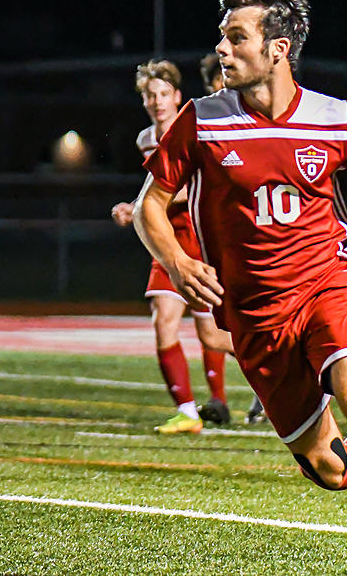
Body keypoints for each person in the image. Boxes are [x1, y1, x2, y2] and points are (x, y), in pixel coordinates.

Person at [135, 0, 347, 504]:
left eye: (237, 36)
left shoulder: (336, 119)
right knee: (328, 469)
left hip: (324, 288)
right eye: (223, 35)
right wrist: (175, 262)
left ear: (278, 48)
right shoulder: (200, 121)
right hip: (254, 317)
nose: (222, 47)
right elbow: (148, 206)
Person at [111, 61, 233, 433]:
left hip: (199, 240)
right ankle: (188, 412)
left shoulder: (196, 129)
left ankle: (281, 361)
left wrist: (146, 207)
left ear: (177, 97)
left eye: (163, 94)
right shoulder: (146, 139)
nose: (156, 101)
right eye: (150, 95)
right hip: (166, 243)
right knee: (163, 322)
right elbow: (155, 189)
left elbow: (193, 187)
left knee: (212, 334)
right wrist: (132, 208)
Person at [200, 52, 268, 426]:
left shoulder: (251, 129)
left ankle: (276, 382)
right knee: (212, 331)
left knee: (219, 332)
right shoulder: (201, 123)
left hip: (234, 249)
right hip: (196, 247)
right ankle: (222, 399)